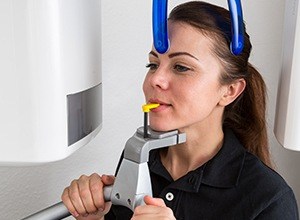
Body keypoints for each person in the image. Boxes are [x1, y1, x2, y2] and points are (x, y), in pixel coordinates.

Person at [61, 1, 299, 219]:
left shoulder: (269, 201)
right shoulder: (138, 157)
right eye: (153, 64)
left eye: (182, 67)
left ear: (229, 91)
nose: (156, 79)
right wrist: (94, 218)